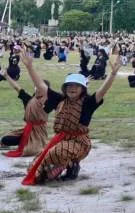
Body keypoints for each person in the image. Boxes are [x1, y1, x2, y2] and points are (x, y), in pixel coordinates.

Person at [22, 54, 122, 185]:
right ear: (65, 88)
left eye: (76, 86)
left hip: (80, 142)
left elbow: (102, 91)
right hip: (61, 139)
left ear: (82, 89)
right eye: (69, 85)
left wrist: (113, 74)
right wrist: (29, 66)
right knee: (36, 165)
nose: (72, 88)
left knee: (57, 152)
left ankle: (72, 166)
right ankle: (66, 166)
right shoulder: (60, 100)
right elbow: (41, 86)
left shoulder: (88, 102)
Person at [1, 53, 52, 157]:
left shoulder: (51, 101)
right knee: (6, 139)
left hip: (39, 131)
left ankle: (31, 142)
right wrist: (6, 76)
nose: (38, 88)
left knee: (31, 150)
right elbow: (17, 88)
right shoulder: (29, 99)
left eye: (41, 87)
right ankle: (24, 140)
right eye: (36, 86)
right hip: (28, 128)